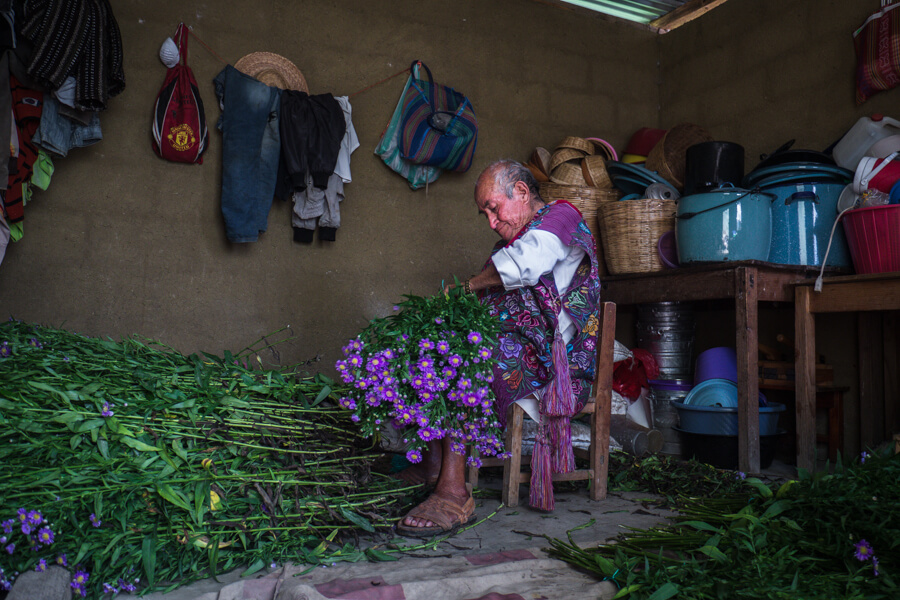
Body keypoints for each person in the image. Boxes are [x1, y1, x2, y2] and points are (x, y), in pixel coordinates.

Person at [397, 159, 603, 536]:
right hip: (519, 344)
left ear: (522, 192)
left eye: (494, 208)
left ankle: (454, 492)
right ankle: (432, 463)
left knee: (465, 357)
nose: (491, 221)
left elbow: (526, 265)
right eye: (485, 214)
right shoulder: (511, 241)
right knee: (427, 344)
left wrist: (469, 286)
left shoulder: (560, 218)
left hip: (553, 358)